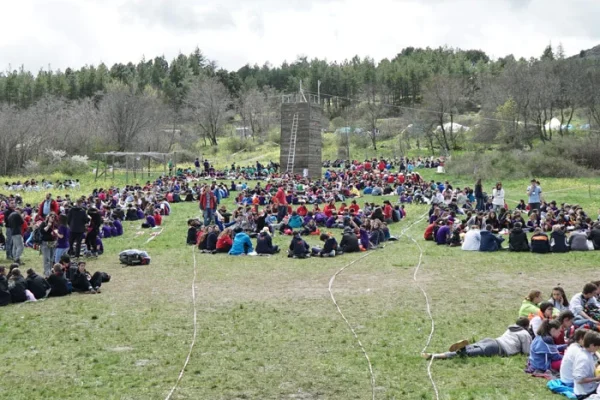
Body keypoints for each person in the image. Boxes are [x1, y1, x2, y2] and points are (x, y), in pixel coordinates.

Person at [421, 317, 532, 360]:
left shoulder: (511, 328)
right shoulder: (524, 334)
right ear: (526, 326)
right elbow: (527, 352)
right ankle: (434, 356)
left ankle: (463, 346)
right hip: (497, 349)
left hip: (492, 340)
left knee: (470, 348)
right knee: (465, 355)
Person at [572, 331, 600, 397]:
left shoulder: (587, 352)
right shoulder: (583, 358)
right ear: (592, 345)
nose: (598, 349)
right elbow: (579, 380)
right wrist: (596, 378)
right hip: (584, 393)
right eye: (598, 346)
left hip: (589, 388)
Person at [40, 213, 58, 277]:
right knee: (46, 258)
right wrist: (48, 226)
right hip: (45, 243)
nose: (53, 219)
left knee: (51, 258)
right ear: (48, 217)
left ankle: (49, 270)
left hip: (53, 242)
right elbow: (42, 231)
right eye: (51, 217)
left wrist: (55, 232)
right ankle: (47, 272)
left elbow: (57, 231)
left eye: (54, 217)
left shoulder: (55, 224)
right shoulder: (44, 223)